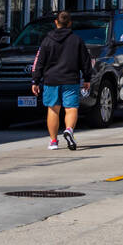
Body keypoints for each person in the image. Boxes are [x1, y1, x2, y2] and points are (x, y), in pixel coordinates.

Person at [31, 11, 92, 151]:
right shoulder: (76, 40)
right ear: (70, 23)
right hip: (70, 79)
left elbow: (39, 62)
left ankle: (53, 141)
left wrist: (35, 81)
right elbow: (85, 61)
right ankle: (69, 130)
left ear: (56, 22)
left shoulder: (47, 40)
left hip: (51, 80)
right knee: (71, 108)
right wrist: (87, 78)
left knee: (53, 109)